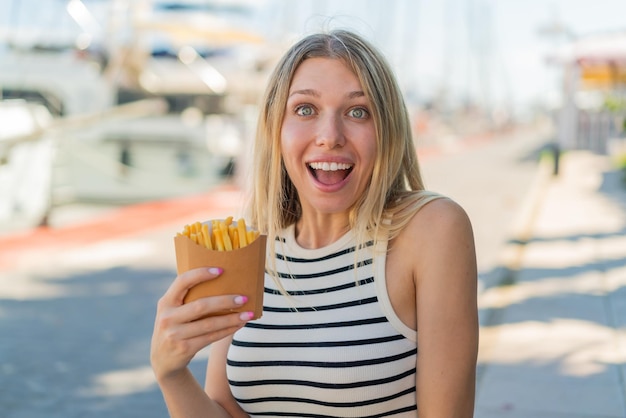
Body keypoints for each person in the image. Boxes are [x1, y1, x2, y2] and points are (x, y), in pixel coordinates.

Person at [151, 29, 478, 417]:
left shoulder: (432, 229)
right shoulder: (255, 246)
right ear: (276, 129)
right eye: (305, 109)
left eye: (358, 111)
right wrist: (171, 373)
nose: (329, 137)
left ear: (387, 130)